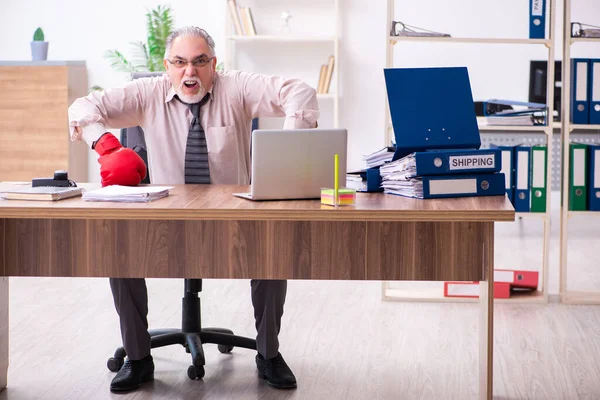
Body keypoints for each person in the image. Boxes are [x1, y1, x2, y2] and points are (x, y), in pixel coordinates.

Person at [68, 26, 319, 393]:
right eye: (180, 62)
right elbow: (82, 107)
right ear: (166, 66)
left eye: (200, 62)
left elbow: (300, 91)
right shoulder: (147, 93)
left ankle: (268, 354)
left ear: (213, 64)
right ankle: (138, 359)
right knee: (118, 252)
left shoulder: (237, 87)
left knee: (273, 248)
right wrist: (106, 145)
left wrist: (287, 142)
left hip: (232, 217)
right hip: (166, 219)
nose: (190, 72)